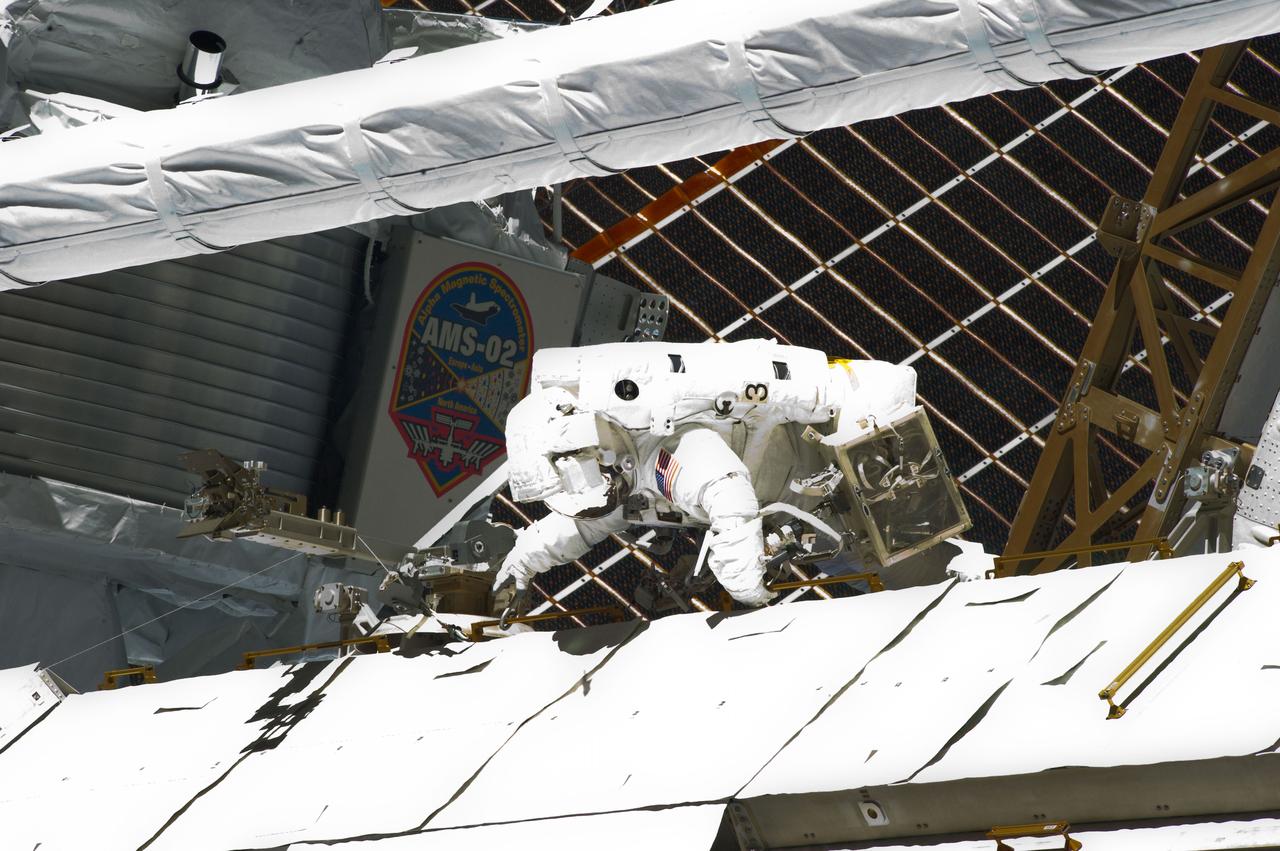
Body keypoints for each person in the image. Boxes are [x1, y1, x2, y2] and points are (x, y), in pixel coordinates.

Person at [492, 340, 917, 607]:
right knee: (908, 591)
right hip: (816, 512)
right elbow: (578, 526)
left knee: (920, 582)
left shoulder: (669, 454)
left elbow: (727, 494)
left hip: (838, 482)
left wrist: (743, 581)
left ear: (602, 454)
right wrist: (518, 569)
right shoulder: (612, 485)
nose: (603, 504)